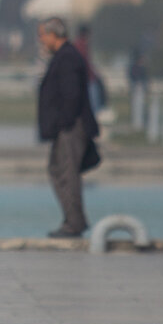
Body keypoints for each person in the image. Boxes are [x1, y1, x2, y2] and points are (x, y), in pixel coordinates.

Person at [36, 17, 99, 239]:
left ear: (54, 35)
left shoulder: (68, 58)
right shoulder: (63, 57)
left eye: (43, 35)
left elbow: (71, 95)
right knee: (58, 170)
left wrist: (63, 123)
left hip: (71, 127)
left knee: (66, 173)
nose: (41, 40)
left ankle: (74, 223)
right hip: (65, 127)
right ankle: (72, 219)